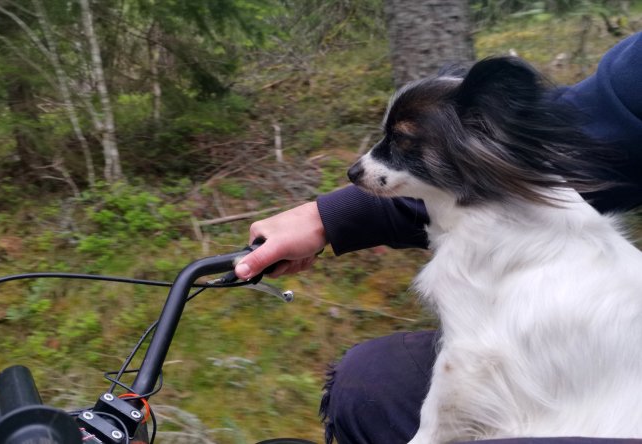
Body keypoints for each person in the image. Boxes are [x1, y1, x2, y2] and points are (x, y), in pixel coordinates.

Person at [235, 32, 642, 444]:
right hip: (596, 364)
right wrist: (326, 218)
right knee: (367, 380)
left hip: (606, 407)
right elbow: (558, 138)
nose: (364, 164)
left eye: (401, 142)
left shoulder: (485, 256)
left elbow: (473, 363)